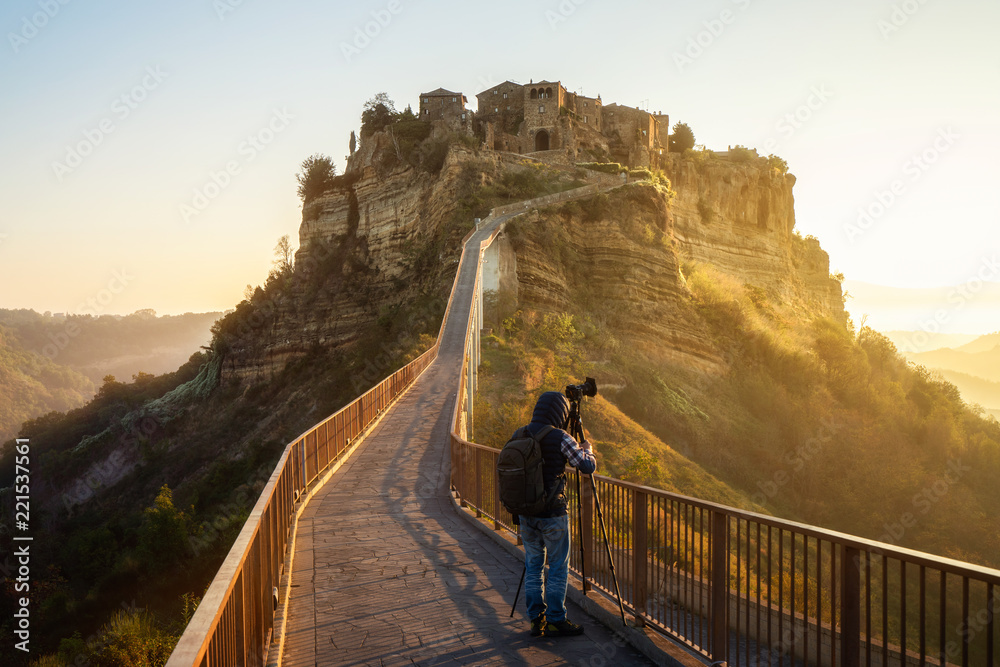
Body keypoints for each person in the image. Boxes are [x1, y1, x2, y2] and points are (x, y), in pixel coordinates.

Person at [518, 391, 597, 638]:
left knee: (533, 566)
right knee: (558, 568)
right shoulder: (561, 437)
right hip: (553, 515)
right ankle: (555, 620)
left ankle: (535, 620)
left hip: (525, 514)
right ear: (560, 414)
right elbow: (586, 466)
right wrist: (588, 449)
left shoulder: (519, 433)